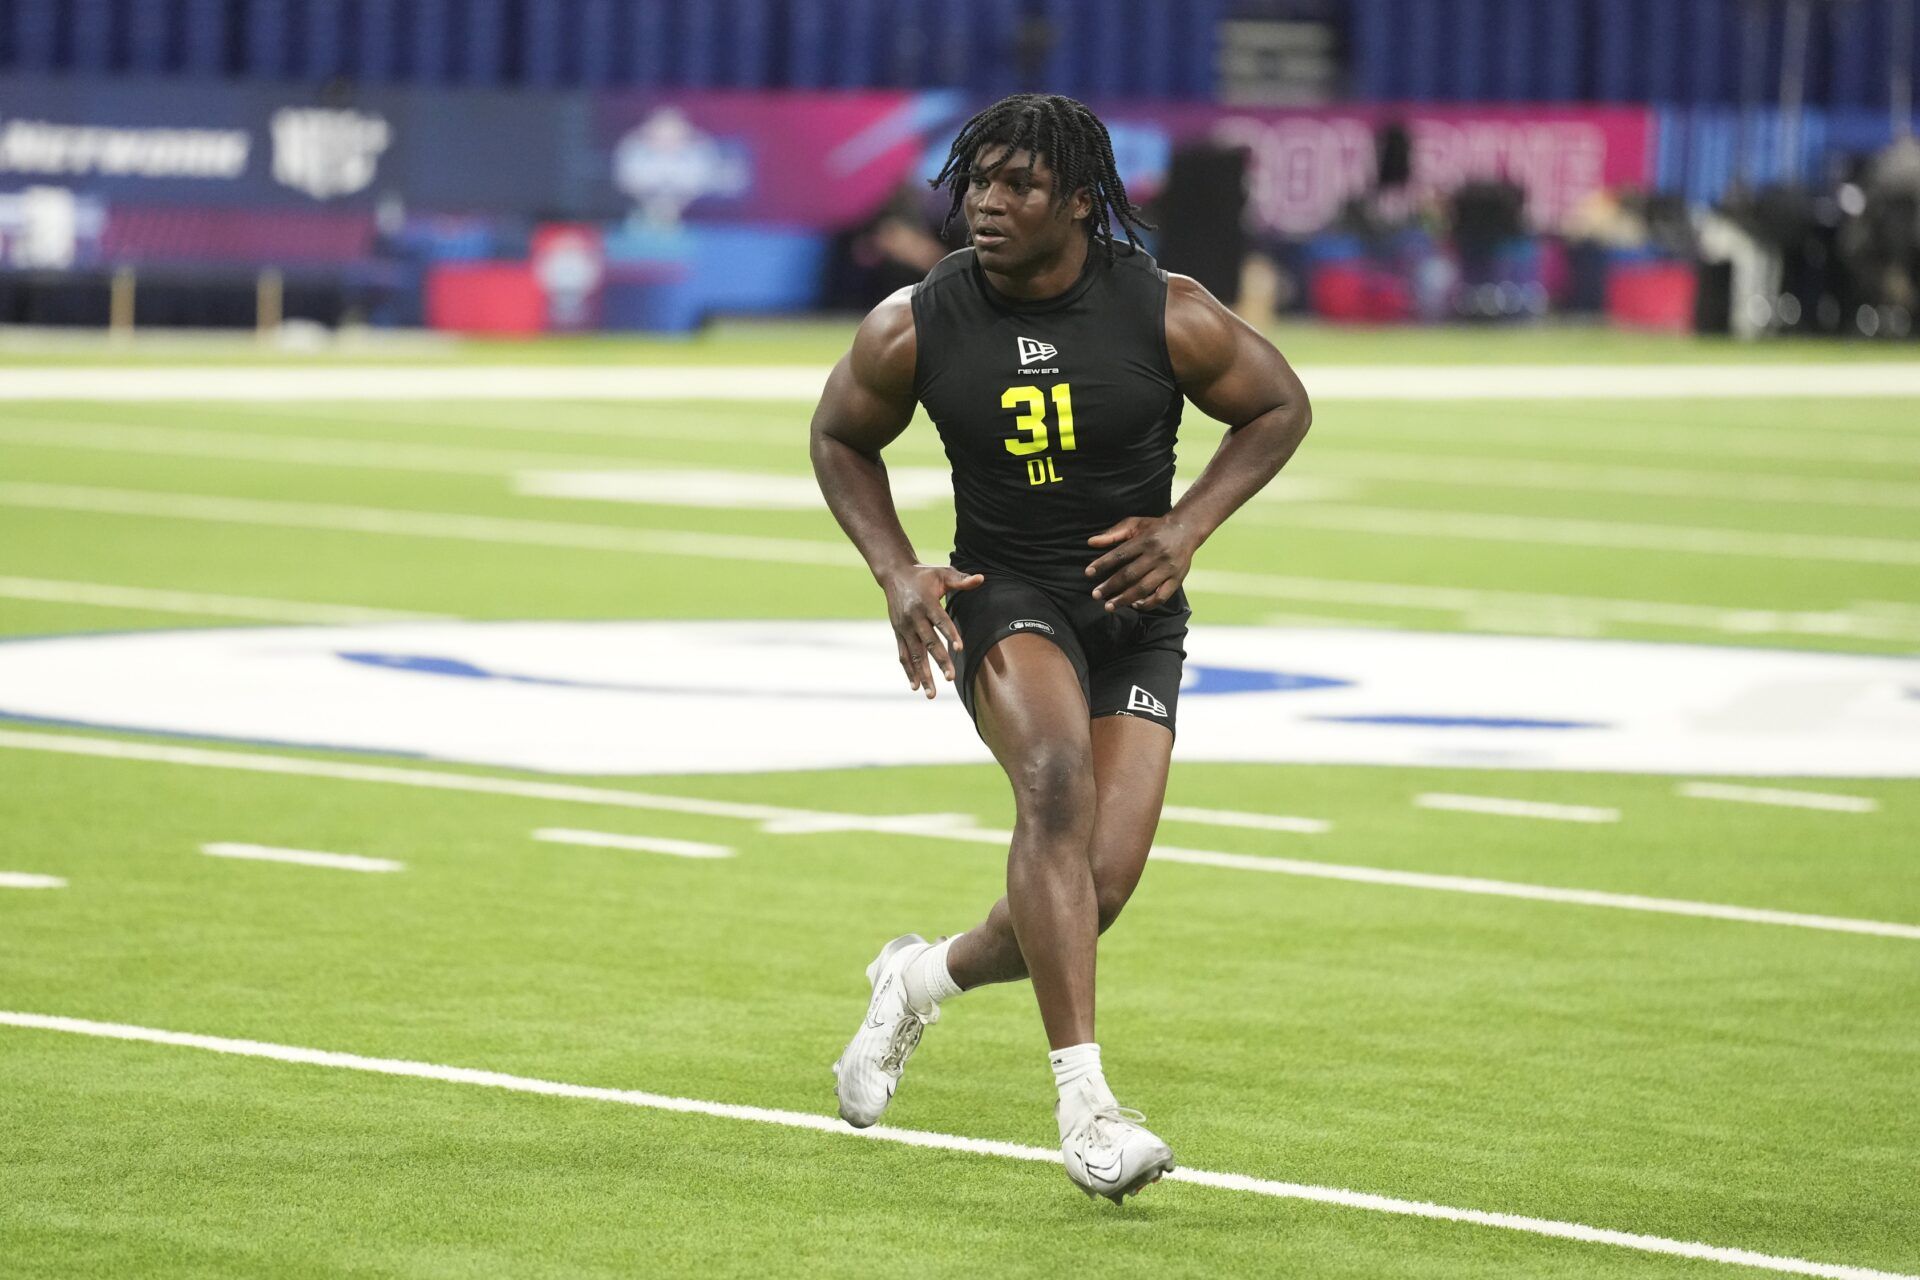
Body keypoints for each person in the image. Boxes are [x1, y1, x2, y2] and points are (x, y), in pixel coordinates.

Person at [808, 94, 1311, 1203]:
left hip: (1133, 612)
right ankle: (1087, 1109)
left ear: (1079, 200)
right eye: (976, 183)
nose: (986, 204)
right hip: (1004, 593)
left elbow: (1279, 404)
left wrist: (1186, 527)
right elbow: (839, 434)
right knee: (1052, 779)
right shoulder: (916, 321)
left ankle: (916, 981)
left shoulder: (1166, 308)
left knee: (1094, 891)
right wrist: (896, 569)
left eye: (1017, 185)